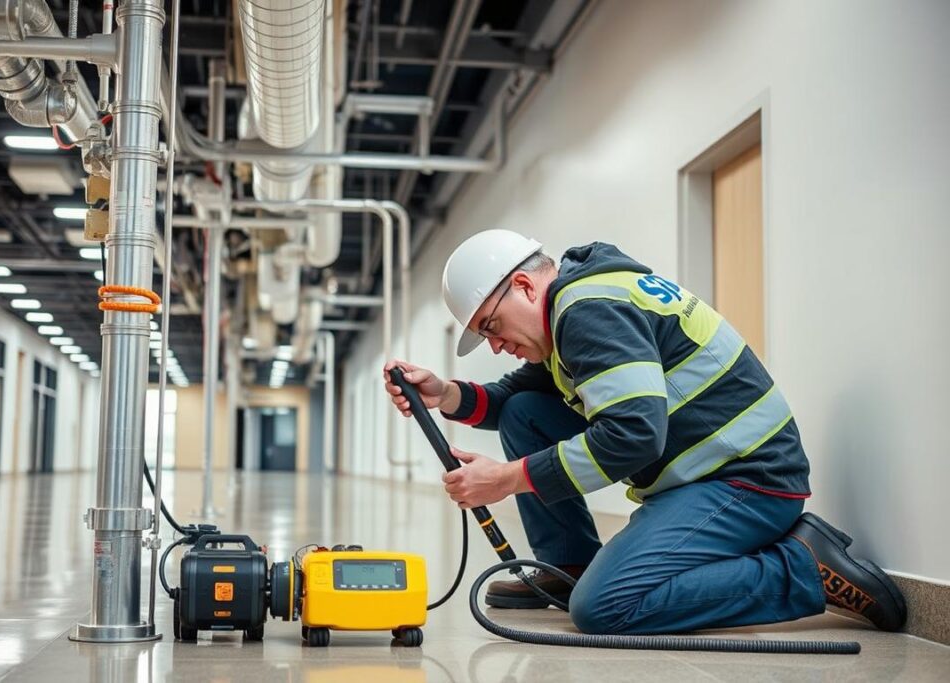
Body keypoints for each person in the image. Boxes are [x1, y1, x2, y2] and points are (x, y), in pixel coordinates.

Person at [383, 229, 906, 635]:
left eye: (492, 327)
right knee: (525, 410)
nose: (495, 345)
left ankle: (803, 569)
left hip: (747, 482)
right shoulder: (574, 307)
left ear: (523, 286)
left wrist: (508, 480)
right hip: (708, 474)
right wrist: (444, 394)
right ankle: (568, 564)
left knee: (603, 608)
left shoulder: (588, 313)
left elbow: (632, 436)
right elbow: (511, 402)